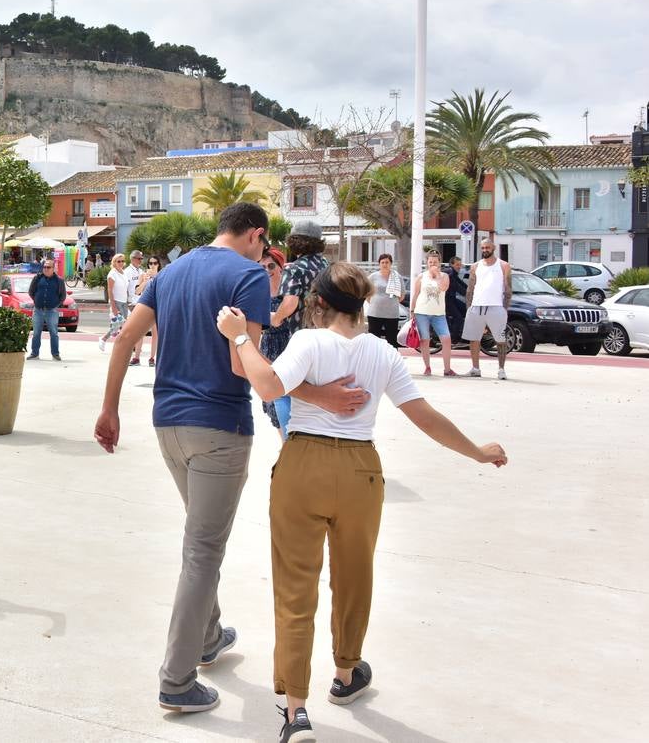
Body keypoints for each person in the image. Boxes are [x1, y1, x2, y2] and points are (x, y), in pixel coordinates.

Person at [215, 262, 508, 743]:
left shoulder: (309, 341)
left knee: (295, 590)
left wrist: (238, 336)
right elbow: (423, 416)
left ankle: (296, 711)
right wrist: (476, 452)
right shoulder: (382, 352)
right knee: (355, 577)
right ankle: (346, 675)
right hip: (360, 470)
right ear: (362, 303)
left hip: (303, 463)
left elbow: (268, 387)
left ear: (320, 303)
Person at [93, 204, 368, 716]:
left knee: (201, 536)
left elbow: (126, 339)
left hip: (166, 424)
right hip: (219, 426)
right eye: (265, 247)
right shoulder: (247, 275)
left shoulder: (170, 272)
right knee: (203, 550)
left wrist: (109, 409)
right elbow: (246, 368)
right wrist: (321, 396)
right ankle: (176, 680)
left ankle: (208, 637)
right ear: (256, 236)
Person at [269, 220, 330, 437]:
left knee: (284, 391)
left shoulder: (295, 269)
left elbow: (290, 303)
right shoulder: (327, 266)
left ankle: (289, 440)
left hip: (298, 337)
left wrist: (276, 318)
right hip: (326, 337)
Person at [464, 239, 511, 379]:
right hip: (476, 307)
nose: (485, 250)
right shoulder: (475, 266)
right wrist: (469, 307)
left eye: (487, 247)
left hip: (496, 307)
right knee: (474, 339)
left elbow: (508, 289)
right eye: (483, 247)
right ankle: (475, 368)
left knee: (500, 339)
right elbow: (470, 288)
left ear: (494, 248)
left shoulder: (504, 265)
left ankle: (501, 369)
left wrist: (505, 309)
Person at [257, 246, 292, 437]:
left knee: (290, 402)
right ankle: (285, 446)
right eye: (262, 267)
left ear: (280, 267)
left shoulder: (289, 291)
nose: (267, 270)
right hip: (268, 348)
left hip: (288, 346)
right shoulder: (257, 292)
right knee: (273, 406)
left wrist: (272, 318)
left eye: (271, 265)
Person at [410, 251, 455, 376]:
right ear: (427, 263)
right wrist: (412, 310)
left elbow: (443, 288)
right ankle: (427, 367)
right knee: (425, 340)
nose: (433, 264)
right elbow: (416, 294)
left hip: (439, 314)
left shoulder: (445, 276)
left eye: (435, 262)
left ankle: (447, 369)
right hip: (421, 313)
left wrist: (437, 275)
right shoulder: (421, 277)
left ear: (439, 262)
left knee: (446, 339)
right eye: (430, 262)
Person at [26, 257, 67, 361]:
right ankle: (34, 353)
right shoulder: (37, 278)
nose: (46, 269)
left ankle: (55, 354)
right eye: (44, 267)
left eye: (48, 267)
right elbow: (31, 292)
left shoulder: (59, 280)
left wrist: (55, 305)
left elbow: (62, 296)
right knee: (36, 333)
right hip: (38, 310)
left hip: (52, 311)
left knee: (54, 333)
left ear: (53, 268)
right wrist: (36, 301)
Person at [365, 253, 404, 344]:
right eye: (382, 262)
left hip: (391, 314)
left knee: (392, 340)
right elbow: (366, 293)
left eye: (387, 262)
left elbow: (402, 295)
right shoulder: (373, 277)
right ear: (379, 264)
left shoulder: (397, 277)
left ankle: (391, 358)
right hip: (375, 313)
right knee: (373, 340)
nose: (384, 264)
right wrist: (375, 302)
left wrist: (391, 303)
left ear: (391, 263)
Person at [135, 256, 163, 367]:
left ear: (158, 264)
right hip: (144, 306)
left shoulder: (162, 275)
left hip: (157, 306)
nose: (152, 265)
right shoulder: (143, 275)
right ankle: (136, 357)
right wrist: (145, 282)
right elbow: (137, 292)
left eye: (155, 263)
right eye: (150, 263)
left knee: (155, 334)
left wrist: (155, 277)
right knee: (139, 333)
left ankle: (152, 358)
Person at [99, 253, 130, 353]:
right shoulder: (112, 274)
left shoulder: (123, 272)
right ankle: (104, 339)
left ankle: (105, 339)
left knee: (121, 325)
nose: (121, 263)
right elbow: (110, 291)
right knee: (119, 324)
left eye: (122, 261)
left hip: (124, 302)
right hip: (116, 302)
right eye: (118, 261)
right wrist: (113, 307)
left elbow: (126, 288)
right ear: (114, 262)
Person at [124, 250, 147, 365]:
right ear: (133, 259)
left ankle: (136, 357)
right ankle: (127, 356)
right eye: (139, 259)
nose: (141, 261)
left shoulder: (142, 271)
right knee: (129, 332)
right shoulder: (127, 272)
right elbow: (125, 289)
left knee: (140, 332)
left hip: (140, 302)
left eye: (142, 259)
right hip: (131, 304)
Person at [444, 256, 468, 341]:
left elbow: (461, 283)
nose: (459, 267)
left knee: (466, 310)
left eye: (460, 265)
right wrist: (467, 293)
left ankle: (460, 332)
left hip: (452, 299)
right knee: (458, 318)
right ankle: (452, 339)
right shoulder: (450, 273)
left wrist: (472, 290)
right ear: (451, 264)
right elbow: (456, 286)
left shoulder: (454, 273)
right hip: (446, 300)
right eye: (457, 264)